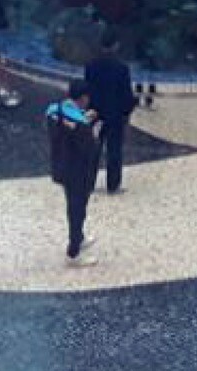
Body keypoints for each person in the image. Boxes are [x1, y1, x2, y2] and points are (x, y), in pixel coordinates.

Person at [47, 81, 103, 266]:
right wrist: (93, 130)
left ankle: (79, 237)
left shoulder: (54, 111)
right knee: (77, 209)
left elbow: (66, 129)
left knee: (73, 204)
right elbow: (90, 148)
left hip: (61, 166)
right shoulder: (81, 125)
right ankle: (74, 252)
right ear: (84, 98)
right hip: (79, 172)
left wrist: (83, 118)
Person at [82, 43, 136, 191]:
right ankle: (113, 184)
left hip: (95, 113)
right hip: (115, 114)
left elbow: (87, 90)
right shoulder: (121, 68)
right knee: (114, 150)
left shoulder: (91, 66)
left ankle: (88, 182)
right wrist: (127, 110)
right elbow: (126, 93)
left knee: (93, 149)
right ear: (116, 46)